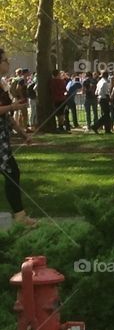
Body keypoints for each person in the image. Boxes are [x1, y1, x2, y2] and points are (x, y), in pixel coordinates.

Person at [0, 48, 37, 228]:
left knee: (12, 173)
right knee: (12, 172)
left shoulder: (2, 85)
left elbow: (6, 117)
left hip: (3, 138)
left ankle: (20, 215)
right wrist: (13, 107)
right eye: (5, 60)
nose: (8, 62)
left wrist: (23, 134)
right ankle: (20, 216)